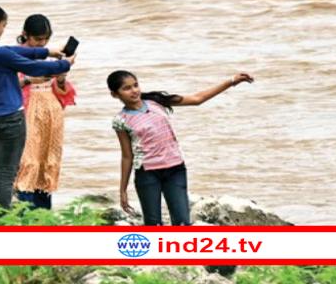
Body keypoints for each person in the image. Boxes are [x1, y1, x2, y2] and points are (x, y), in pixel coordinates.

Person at [109, 70, 254, 225]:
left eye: (136, 85)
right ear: (115, 94)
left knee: (182, 223)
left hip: (175, 169)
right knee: (153, 224)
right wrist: (123, 190)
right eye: (127, 88)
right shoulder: (121, 120)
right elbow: (127, 156)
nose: (134, 91)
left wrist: (231, 81)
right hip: (147, 174)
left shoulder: (157, 102)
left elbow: (198, 99)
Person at [0, 5, 73, 209]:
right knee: (6, 177)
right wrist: (66, 64)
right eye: (3, 26)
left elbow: (11, 51)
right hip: (9, 118)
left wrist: (47, 51)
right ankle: (0, 224)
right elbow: (35, 67)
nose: (3, 31)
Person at [15, 14, 76, 210]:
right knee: (28, 159)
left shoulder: (49, 54)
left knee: (48, 158)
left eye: (45, 39)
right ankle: (27, 210)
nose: (42, 43)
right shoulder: (15, 55)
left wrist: (60, 77)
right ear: (25, 35)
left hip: (52, 111)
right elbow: (4, 86)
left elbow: (62, 92)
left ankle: (44, 213)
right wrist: (31, 80)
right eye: (38, 39)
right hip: (28, 111)